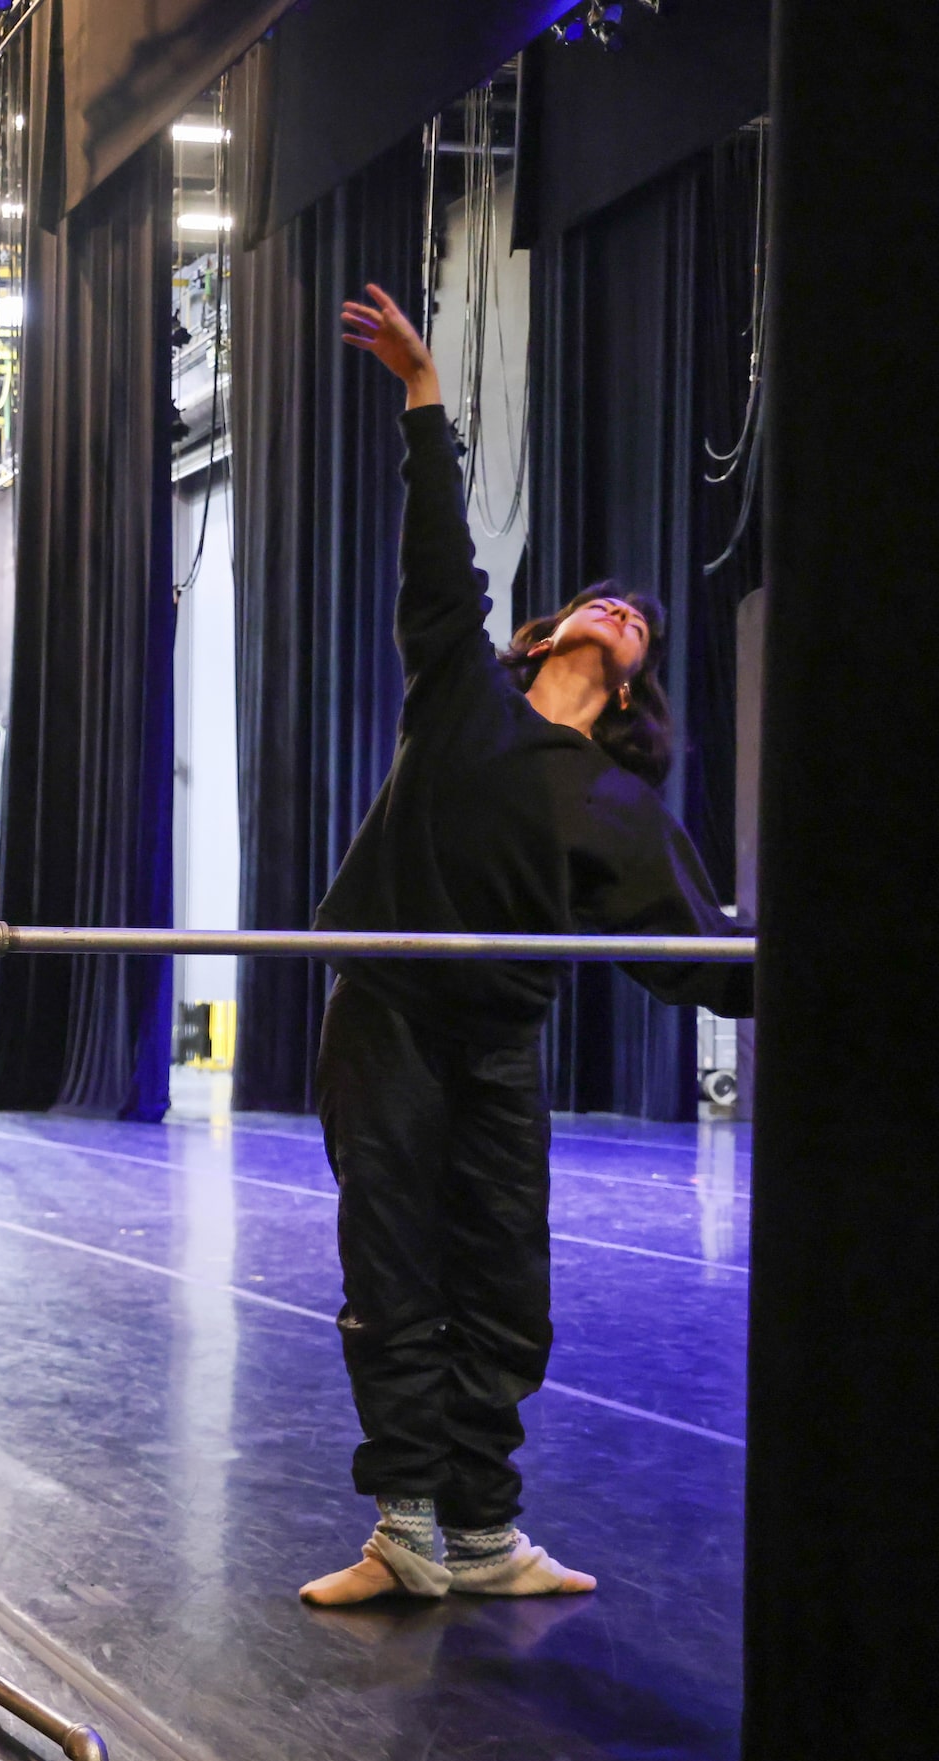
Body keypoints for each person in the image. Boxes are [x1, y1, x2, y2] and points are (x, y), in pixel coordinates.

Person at [298, 285, 752, 1605]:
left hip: (495, 1041)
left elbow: (701, 952)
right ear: (549, 630)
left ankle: (484, 1533)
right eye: (598, 600)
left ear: (631, 677)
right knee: (387, 1267)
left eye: (636, 622)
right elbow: (437, 553)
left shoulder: (614, 801)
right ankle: (402, 1531)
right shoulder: (457, 695)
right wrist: (421, 396)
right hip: (383, 1013)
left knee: (503, 1285)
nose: (617, 609)